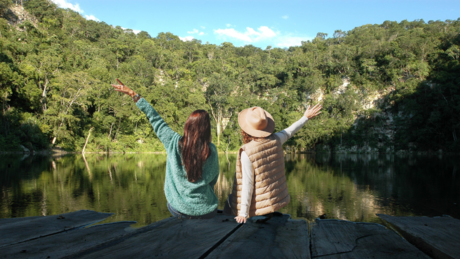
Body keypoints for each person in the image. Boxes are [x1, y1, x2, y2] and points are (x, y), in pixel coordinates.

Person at [111, 79, 219, 219]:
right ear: (207, 130)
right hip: (206, 210)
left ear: (187, 126)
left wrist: (133, 94)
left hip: (179, 209)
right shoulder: (211, 150)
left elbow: (154, 118)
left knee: (172, 206)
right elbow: (213, 179)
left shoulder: (173, 142)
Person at [224, 104, 322, 223]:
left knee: (229, 202)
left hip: (257, 210)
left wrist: (243, 214)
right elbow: (290, 131)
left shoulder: (247, 152)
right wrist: (305, 117)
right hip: (272, 206)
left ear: (245, 130)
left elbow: (247, 184)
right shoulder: (276, 140)